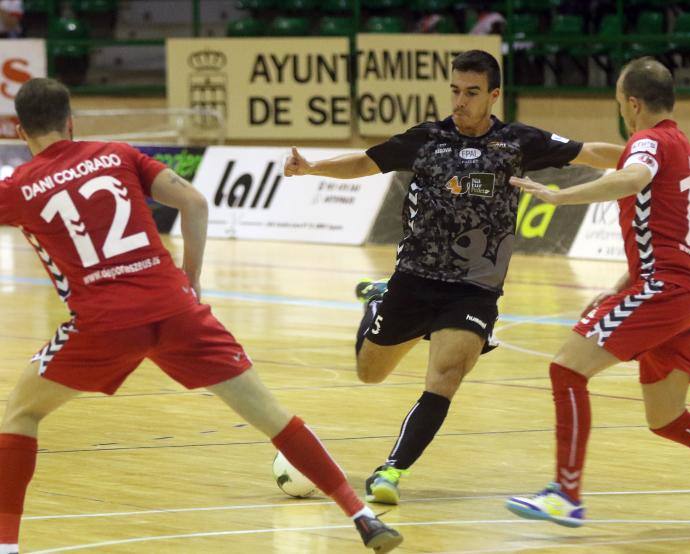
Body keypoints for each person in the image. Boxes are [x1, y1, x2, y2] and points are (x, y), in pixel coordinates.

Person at [0, 78, 402, 554]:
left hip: (104, 323)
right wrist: (190, 280)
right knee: (273, 416)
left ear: (20, 132)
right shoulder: (118, 153)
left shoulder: (18, 186)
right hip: (177, 310)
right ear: (71, 122)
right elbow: (194, 201)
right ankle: (362, 516)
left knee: (21, 414)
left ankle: (6, 547)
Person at [284, 49, 623, 505]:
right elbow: (366, 162)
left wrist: (650, 156)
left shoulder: (518, 141)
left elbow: (589, 151)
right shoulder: (426, 139)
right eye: (455, 91)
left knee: (446, 375)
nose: (460, 102)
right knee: (370, 373)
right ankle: (377, 302)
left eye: (472, 93)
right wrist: (312, 168)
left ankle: (392, 471)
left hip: (474, 288)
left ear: (494, 95)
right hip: (414, 279)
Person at [505, 57, 690, 528]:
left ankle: (565, 494)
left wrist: (561, 196)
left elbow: (633, 178)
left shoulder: (647, 142)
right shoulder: (680, 143)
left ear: (634, 103)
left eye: (621, 102)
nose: (622, 111)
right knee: (666, 417)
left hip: (669, 287)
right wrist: (625, 281)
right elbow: (665, 221)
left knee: (566, 370)